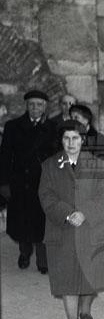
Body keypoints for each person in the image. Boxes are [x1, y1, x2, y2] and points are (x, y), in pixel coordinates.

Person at [38, 120, 104, 319]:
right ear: (61, 141)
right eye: (66, 138)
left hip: (90, 227)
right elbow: (46, 195)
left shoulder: (96, 164)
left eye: (75, 138)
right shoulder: (50, 165)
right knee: (67, 276)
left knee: (89, 275)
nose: (71, 143)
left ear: (83, 140)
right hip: (62, 228)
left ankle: (85, 310)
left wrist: (85, 213)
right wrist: (67, 213)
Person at [0, 90, 57, 272]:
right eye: (31, 104)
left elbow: (57, 158)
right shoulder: (12, 126)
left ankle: (43, 260)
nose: (35, 108)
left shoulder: (53, 128)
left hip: (43, 183)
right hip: (20, 183)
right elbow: (4, 157)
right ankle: (24, 253)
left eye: (39, 104)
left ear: (45, 107)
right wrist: (4, 184)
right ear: (26, 106)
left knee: (43, 222)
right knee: (22, 222)